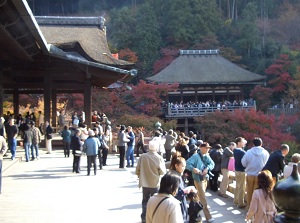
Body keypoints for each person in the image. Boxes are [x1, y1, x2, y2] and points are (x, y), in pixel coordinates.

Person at [135, 138, 166, 223]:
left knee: (145, 201)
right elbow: (162, 171)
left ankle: (144, 217)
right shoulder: (159, 158)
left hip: (145, 182)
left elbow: (137, 169)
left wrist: (139, 175)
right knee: (155, 201)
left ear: (148, 147)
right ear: (156, 148)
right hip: (155, 182)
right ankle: (154, 216)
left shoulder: (143, 156)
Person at [186, 142, 215, 223]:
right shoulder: (195, 156)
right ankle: (208, 216)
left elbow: (212, 164)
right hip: (198, 178)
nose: (207, 149)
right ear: (201, 148)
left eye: (208, 148)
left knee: (199, 197)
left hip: (205, 178)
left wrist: (207, 168)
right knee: (203, 198)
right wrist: (193, 169)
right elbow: (187, 163)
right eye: (206, 148)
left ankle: (195, 213)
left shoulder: (207, 156)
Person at [242, 137, 269, 208]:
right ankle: (256, 207)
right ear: (261, 144)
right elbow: (267, 164)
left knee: (249, 192)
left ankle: (249, 207)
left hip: (250, 174)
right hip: (260, 175)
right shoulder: (265, 153)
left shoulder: (249, 152)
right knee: (257, 192)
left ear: (253, 144)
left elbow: (243, 163)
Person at [169, 153, 197, 222]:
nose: (184, 168)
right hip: (176, 207)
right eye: (182, 166)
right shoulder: (174, 177)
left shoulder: (178, 175)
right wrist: (185, 191)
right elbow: (174, 195)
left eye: (185, 166)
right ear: (176, 165)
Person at [233, 137, 247, 208]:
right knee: (242, 187)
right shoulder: (242, 152)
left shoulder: (235, 150)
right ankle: (241, 203)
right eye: (242, 142)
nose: (244, 143)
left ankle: (235, 200)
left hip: (236, 170)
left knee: (237, 185)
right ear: (238, 143)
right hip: (242, 171)